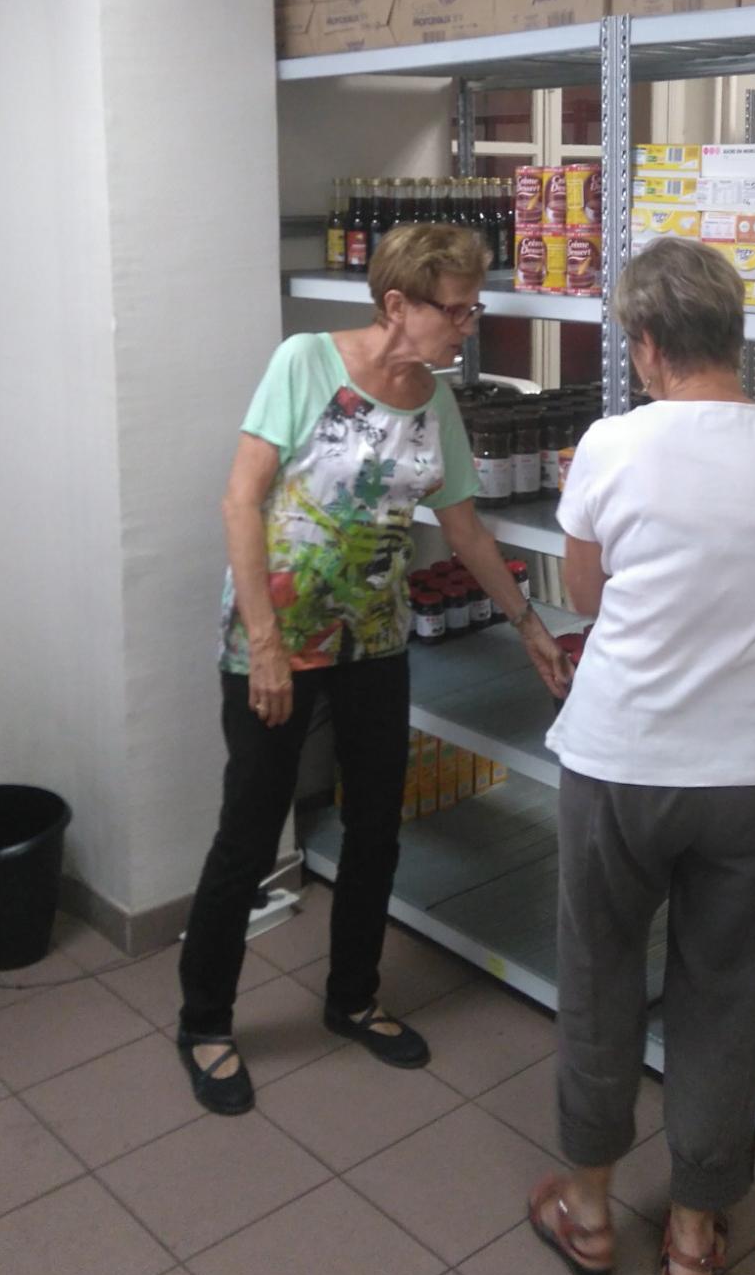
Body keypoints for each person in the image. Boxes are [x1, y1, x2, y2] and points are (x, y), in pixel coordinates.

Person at [526, 236, 755, 1275]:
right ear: (733, 337)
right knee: (725, 994)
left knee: (600, 975)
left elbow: (583, 588)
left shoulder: (609, 446)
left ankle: (584, 1205)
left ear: (644, 344)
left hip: (621, 758)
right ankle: (688, 1228)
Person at [178, 222, 572, 1115]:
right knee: (248, 833)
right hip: (274, 644)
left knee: (375, 829)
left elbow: (463, 524)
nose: (468, 324)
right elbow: (240, 499)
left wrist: (527, 623)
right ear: (398, 305)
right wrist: (268, 642)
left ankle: (352, 996)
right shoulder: (306, 363)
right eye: (457, 309)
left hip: (375, 643)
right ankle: (205, 1019)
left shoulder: (434, 399)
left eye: (475, 307)